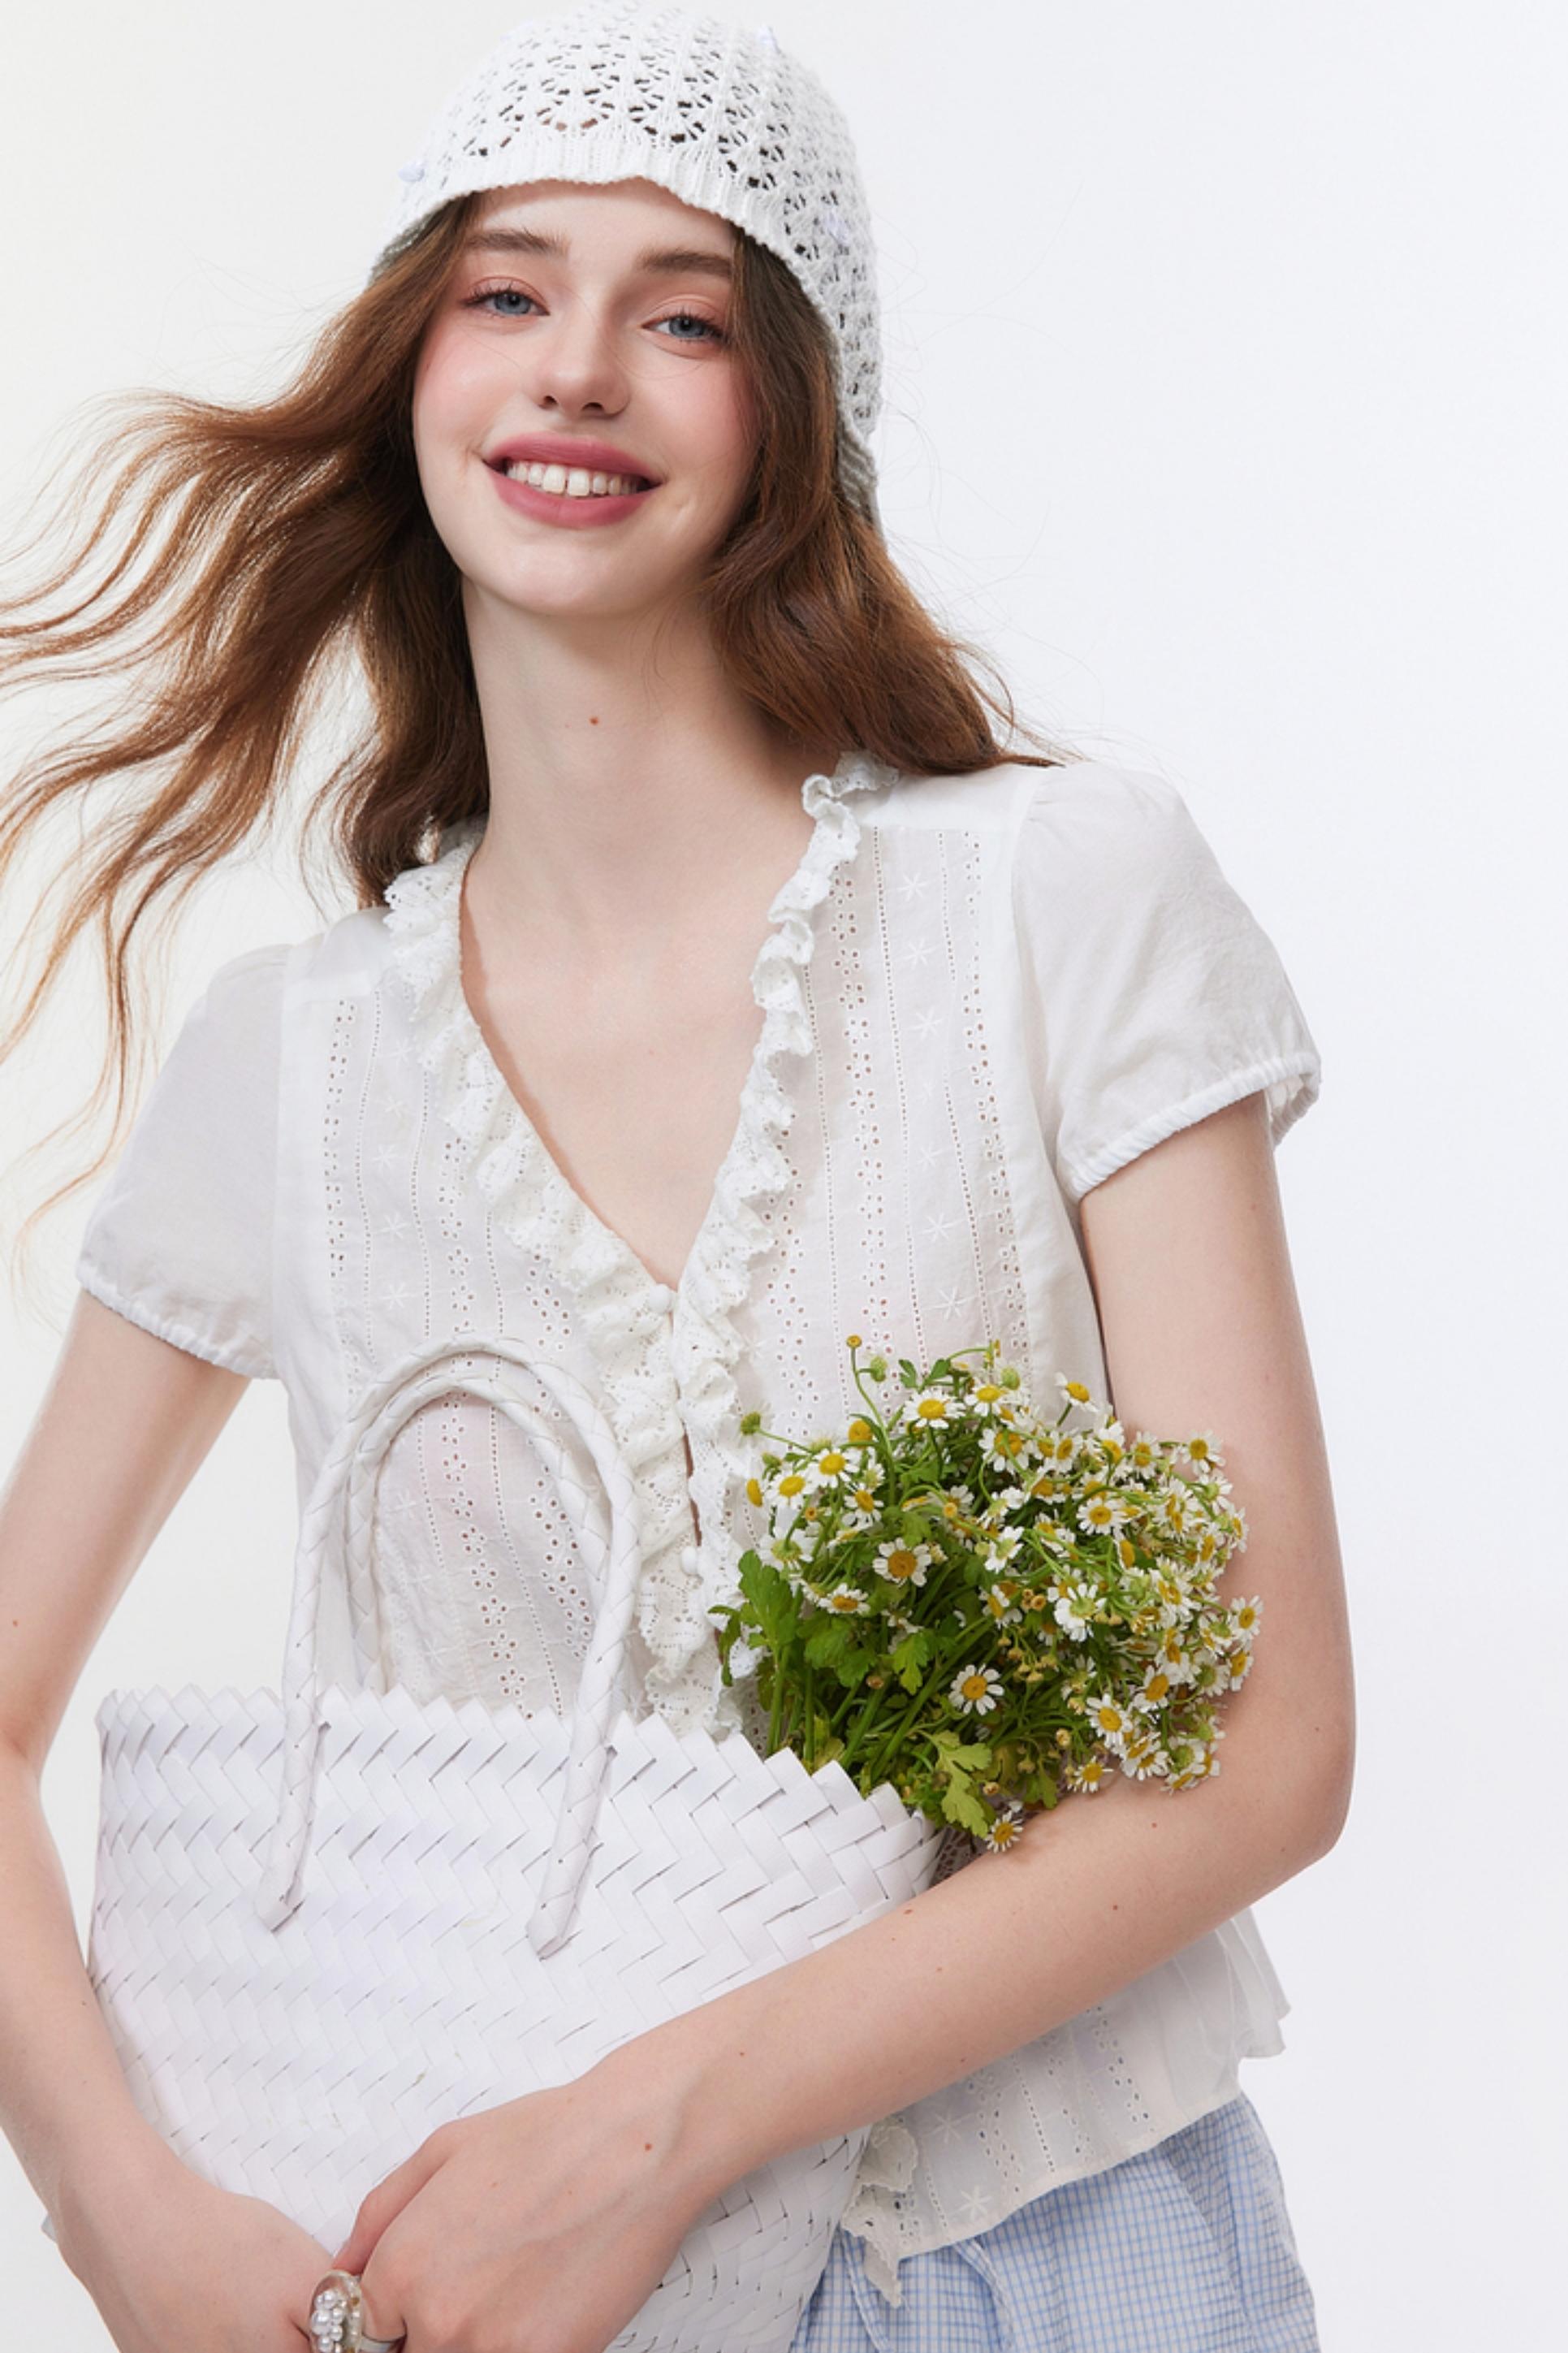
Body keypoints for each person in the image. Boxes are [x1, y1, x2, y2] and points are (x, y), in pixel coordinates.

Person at [0, 4, 1354, 2348]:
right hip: (487, 2303)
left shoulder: (1054, 905)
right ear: (414, 366)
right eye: (507, 290)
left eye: (687, 316)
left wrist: (651, 2136)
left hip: (1064, 2263)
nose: (580, 368)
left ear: (792, 416)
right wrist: (125, 2214)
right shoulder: (291, 1065)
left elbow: (1267, 1751)